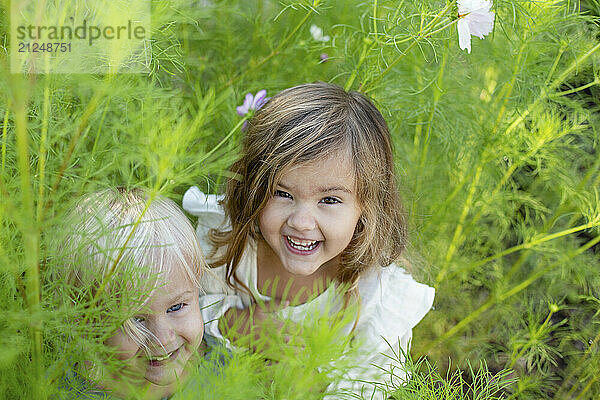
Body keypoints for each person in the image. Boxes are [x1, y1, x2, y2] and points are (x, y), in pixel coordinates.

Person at [183, 82, 435, 399]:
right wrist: (237, 324)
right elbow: (176, 310)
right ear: (254, 189)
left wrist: (306, 384)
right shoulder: (227, 244)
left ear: (366, 207)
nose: (301, 223)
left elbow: (369, 383)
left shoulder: (376, 294)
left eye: (329, 200)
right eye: (283, 194)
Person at [55, 187, 207, 399]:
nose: (163, 339)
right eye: (136, 319)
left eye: (176, 307)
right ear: (86, 321)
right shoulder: (75, 393)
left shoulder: (218, 357)